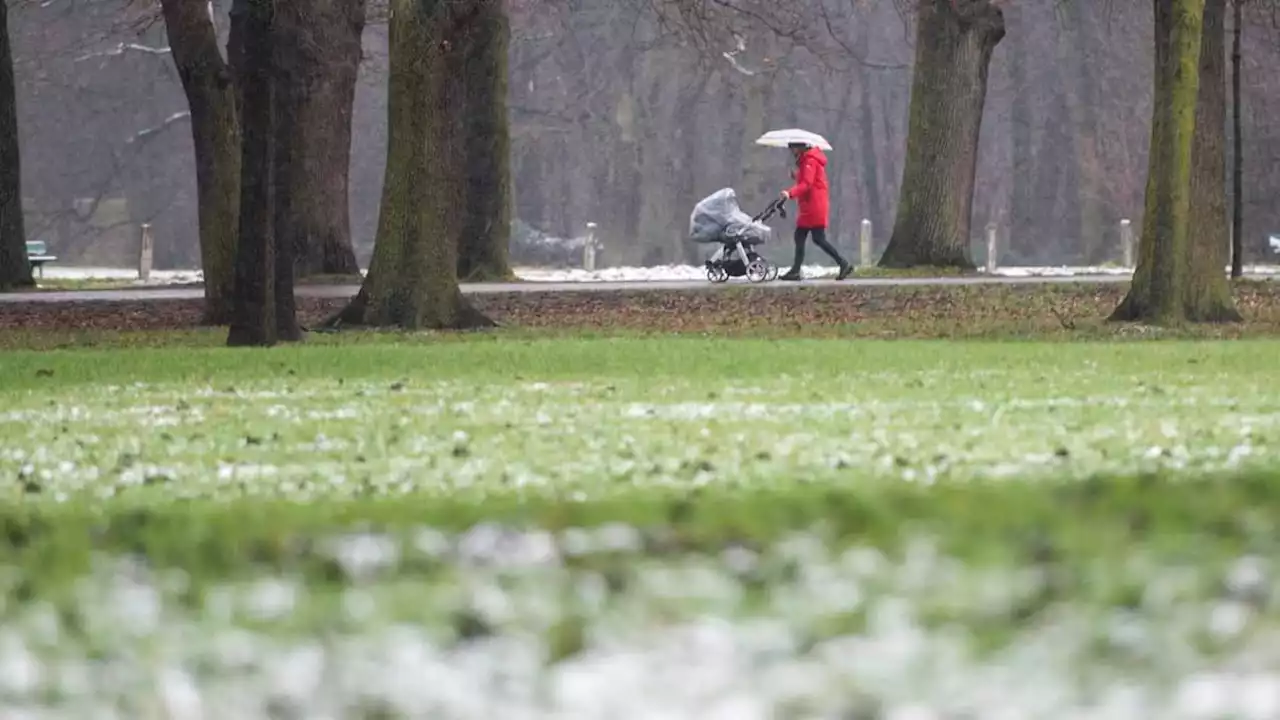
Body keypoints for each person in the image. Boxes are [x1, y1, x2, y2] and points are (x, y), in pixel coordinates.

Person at [779, 142, 852, 281]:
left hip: (814, 206)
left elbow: (807, 184)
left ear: (800, 147)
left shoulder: (809, 161)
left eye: (793, 148)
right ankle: (796, 270)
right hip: (810, 205)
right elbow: (809, 179)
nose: (791, 151)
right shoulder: (806, 161)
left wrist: (790, 193)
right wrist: (795, 176)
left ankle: (842, 263)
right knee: (805, 236)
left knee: (815, 238)